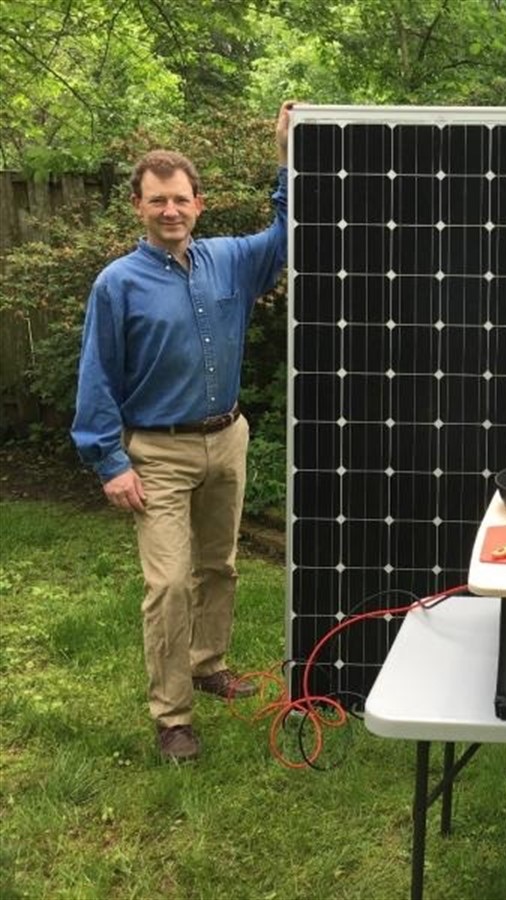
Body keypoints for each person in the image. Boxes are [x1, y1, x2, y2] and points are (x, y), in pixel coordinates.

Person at [71, 101, 295, 761]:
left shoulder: (231, 261)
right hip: (158, 452)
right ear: (138, 208)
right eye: (155, 200)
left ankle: (208, 662)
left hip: (227, 439)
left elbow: (285, 234)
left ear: (198, 203)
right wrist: (109, 461)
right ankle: (173, 717)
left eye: (179, 199)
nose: (169, 210)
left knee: (218, 564)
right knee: (169, 583)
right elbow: (98, 377)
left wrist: (284, 154)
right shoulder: (117, 285)